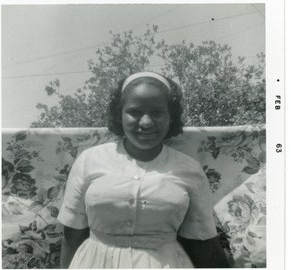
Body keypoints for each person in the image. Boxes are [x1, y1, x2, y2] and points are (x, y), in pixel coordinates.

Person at [57, 72, 230, 268]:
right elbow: (72, 233)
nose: (146, 122)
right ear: (119, 114)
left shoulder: (189, 170)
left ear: (170, 117)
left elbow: (202, 242)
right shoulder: (90, 160)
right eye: (135, 112)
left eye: (157, 112)